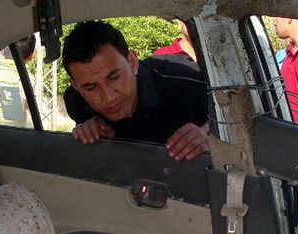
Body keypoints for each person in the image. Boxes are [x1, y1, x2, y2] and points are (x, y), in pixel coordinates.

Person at [62, 20, 209, 162]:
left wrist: (209, 134)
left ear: (132, 62)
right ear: (76, 86)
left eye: (114, 77)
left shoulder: (185, 81)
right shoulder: (76, 103)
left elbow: (231, 114)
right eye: (91, 87)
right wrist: (92, 136)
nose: (108, 97)